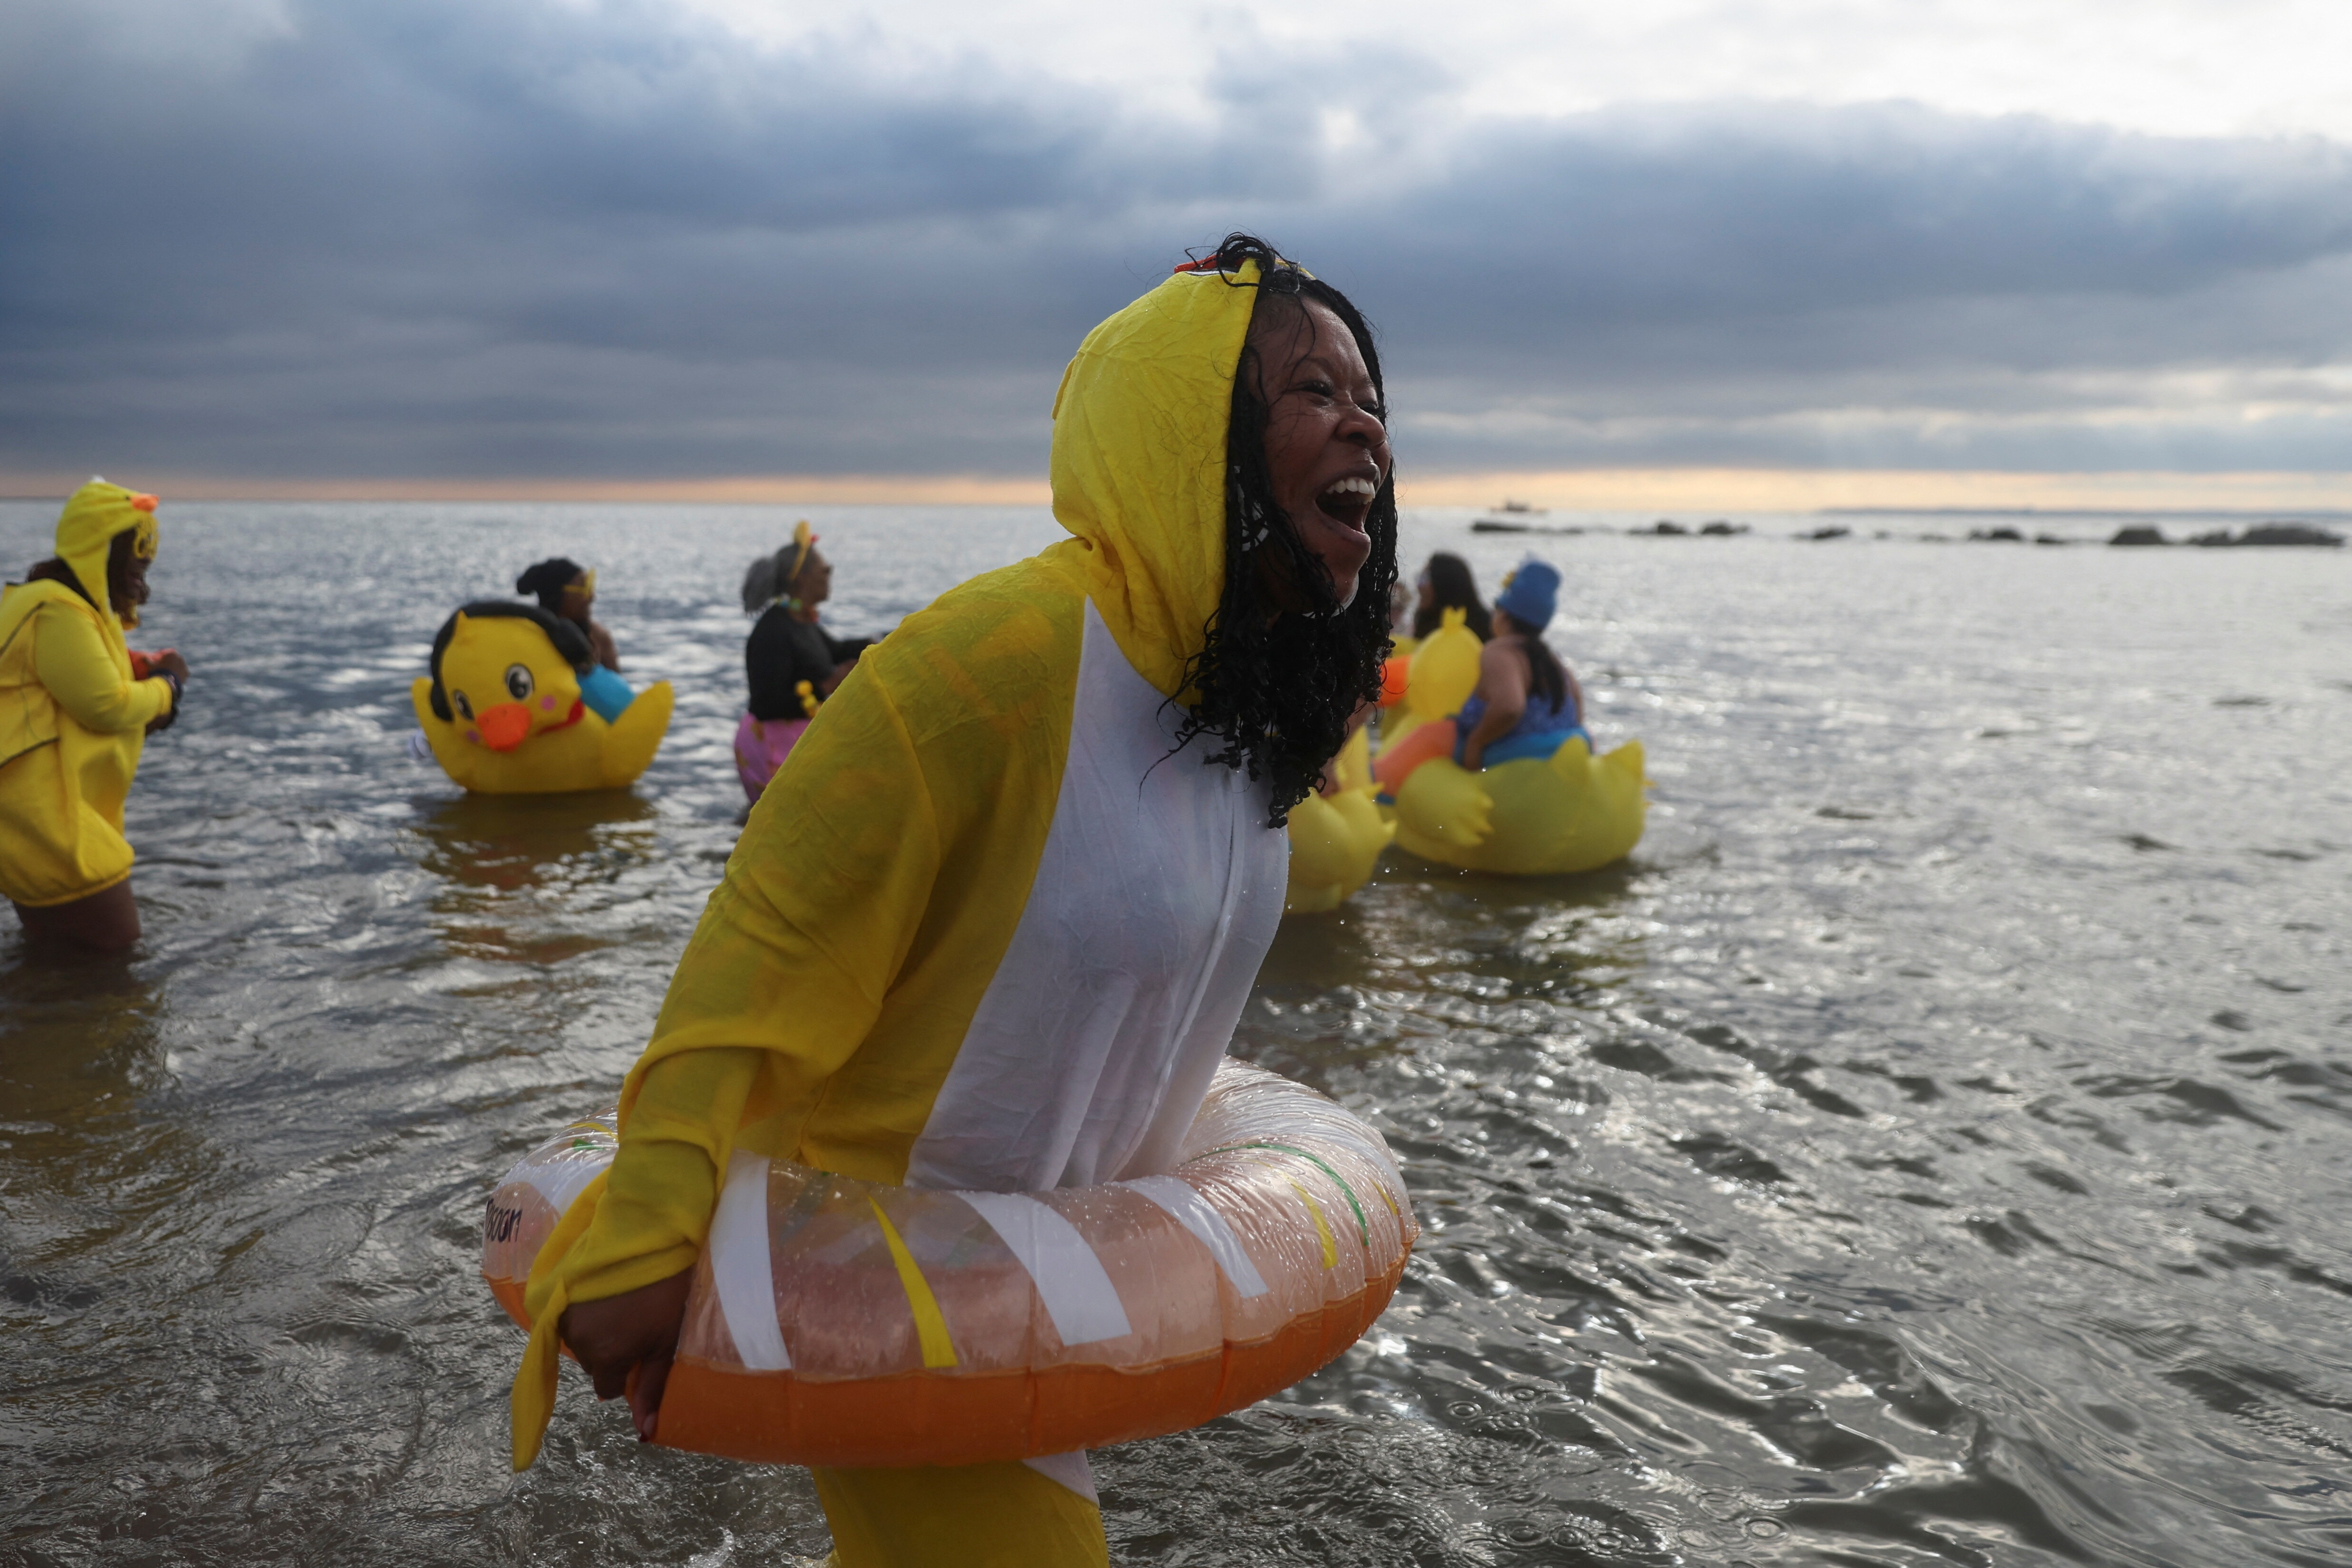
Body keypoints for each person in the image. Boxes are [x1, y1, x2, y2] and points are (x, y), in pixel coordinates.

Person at [508, 233, 1397, 1567]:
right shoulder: (1000, 661)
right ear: (1182, 428)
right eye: (1311, 389)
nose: (1364, 419)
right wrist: (647, 1228)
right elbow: (771, 940)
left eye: (1368, 390)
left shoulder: (1243, 715)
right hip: (883, 1241)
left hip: (1037, 1268)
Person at [0, 481, 189, 951]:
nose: (142, 569)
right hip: (46, 817)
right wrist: (168, 688)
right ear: (101, 548)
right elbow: (105, 705)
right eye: (137, 554)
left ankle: (35, 1022)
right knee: (113, 961)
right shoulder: (57, 607)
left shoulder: (51, 601)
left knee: (58, 963)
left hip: (34, 814)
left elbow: (76, 670)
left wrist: (139, 665)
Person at [733, 521, 871, 800]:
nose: (830, 575)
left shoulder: (801, 621)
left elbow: (836, 650)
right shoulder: (773, 632)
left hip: (794, 743)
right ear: (802, 579)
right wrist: (827, 686)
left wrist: (888, 639)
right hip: (770, 747)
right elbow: (765, 703)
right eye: (825, 570)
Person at [1455, 558, 1590, 772]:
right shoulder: (1553, 660)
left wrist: (1476, 743)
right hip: (1563, 768)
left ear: (1504, 615)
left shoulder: (1499, 651)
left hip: (1515, 771)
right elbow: (1577, 711)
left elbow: (1510, 707)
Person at [516, 558, 633, 723]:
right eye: (583, 588)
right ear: (557, 595)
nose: (592, 597)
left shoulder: (598, 637)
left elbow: (617, 696)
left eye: (591, 586)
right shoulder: (531, 640)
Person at [1411, 551, 1491, 641]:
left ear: (1445, 585)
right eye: (1420, 577)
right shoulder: (1423, 623)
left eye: (1425, 578)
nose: (1419, 585)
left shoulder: (1486, 629)